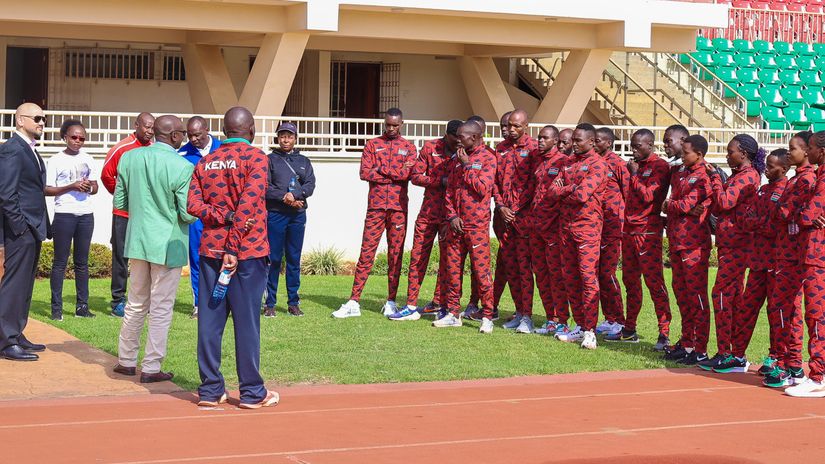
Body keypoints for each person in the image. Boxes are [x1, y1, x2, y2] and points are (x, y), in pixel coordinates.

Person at [188, 106, 279, 408]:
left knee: (210, 323)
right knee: (247, 323)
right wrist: (233, 246)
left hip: (211, 251)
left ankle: (210, 390)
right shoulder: (257, 158)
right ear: (251, 130)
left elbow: (192, 205)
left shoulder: (206, 161)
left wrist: (220, 216)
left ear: (225, 131)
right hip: (247, 253)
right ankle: (252, 392)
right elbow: (249, 205)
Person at [111, 115, 196, 383]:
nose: (184, 136)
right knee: (160, 306)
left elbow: (121, 201)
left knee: (135, 302)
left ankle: (126, 360)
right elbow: (187, 212)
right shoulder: (182, 166)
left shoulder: (129, 158)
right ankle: (151, 366)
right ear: (173, 136)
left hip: (137, 240)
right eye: (181, 132)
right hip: (168, 243)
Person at [333, 108, 417, 318]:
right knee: (366, 253)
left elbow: (408, 174)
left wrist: (380, 171)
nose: (391, 128)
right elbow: (364, 172)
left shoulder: (409, 147)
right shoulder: (373, 144)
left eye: (395, 125)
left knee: (395, 256)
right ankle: (354, 301)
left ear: (401, 124)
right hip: (376, 208)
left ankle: (391, 301)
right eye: (388, 124)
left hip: (398, 209)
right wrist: (393, 175)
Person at [699, 134, 763, 373]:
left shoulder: (748, 176)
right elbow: (718, 205)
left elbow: (724, 202)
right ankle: (730, 353)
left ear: (744, 154)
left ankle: (729, 352)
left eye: (731, 151)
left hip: (739, 245)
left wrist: (715, 178)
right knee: (730, 298)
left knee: (722, 295)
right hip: (729, 244)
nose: (727, 155)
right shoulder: (737, 176)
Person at [391, 120, 461, 321]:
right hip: (428, 213)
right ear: (447, 134)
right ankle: (411, 305)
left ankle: (440, 303)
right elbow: (415, 176)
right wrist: (440, 181)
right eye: (455, 137)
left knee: (449, 260)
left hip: (451, 215)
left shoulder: (464, 153)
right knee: (418, 256)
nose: (458, 141)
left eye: (461, 137)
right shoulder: (431, 147)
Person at [610, 129, 672, 348]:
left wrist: (634, 174)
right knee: (630, 282)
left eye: (637, 146)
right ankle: (629, 328)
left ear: (650, 145)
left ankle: (664, 333)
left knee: (654, 283)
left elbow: (649, 197)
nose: (633, 150)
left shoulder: (660, 166)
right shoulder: (633, 166)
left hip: (648, 232)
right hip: (629, 230)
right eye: (631, 146)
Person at [730, 149, 788, 377]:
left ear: (784, 168)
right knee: (747, 309)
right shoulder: (763, 190)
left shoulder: (786, 191)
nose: (767, 168)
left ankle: (774, 357)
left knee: (775, 312)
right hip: (757, 261)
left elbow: (775, 226)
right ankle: (737, 355)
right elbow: (745, 219)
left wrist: (758, 223)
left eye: (772, 165)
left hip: (776, 261)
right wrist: (760, 222)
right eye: (766, 163)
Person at [763, 132, 814, 388]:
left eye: (793, 148)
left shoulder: (806, 180)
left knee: (786, 308)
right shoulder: (796, 180)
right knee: (785, 309)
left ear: (806, 151)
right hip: (784, 252)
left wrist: (782, 209)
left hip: (793, 254)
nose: (789, 151)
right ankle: (790, 363)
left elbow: (782, 213)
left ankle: (788, 364)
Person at [435, 121, 497, 333]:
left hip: (476, 226)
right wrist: (452, 216)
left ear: (476, 137)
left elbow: (482, 189)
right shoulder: (457, 159)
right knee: (453, 271)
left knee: (481, 273)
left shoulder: (488, 158)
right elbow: (449, 192)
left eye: (463, 137)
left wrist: (468, 165)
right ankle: (453, 313)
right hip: (456, 226)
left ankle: (487, 315)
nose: (458, 140)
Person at [551, 123, 607, 349]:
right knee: (570, 278)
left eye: (578, 140)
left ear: (592, 142)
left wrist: (566, 189)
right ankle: (580, 325)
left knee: (587, 278)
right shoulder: (568, 163)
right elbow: (551, 192)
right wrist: (569, 189)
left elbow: (583, 195)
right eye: (573, 139)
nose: (574, 144)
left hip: (588, 229)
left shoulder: (598, 165)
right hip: (566, 228)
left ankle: (591, 331)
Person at [0, 103, 50, 361]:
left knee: (25, 284)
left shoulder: (29, 149)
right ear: (20, 120)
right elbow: (6, 193)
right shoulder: (12, 150)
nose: (42, 122)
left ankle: (16, 332)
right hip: (21, 228)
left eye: (44, 118)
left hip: (33, 227)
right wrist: (19, 227)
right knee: (14, 284)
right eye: (37, 118)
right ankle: (6, 341)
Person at [662, 135, 712, 365]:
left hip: (694, 244)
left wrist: (674, 206)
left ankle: (700, 347)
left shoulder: (705, 175)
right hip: (677, 240)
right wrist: (678, 207)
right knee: (682, 295)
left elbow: (683, 204)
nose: (682, 156)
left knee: (697, 298)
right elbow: (680, 205)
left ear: (699, 154)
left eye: (686, 153)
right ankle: (687, 341)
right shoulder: (681, 172)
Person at [101, 112, 154, 317]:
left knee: (145, 257)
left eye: (152, 127)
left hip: (147, 215)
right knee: (121, 256)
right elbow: (107, 175)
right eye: (146, 126)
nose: (149, 131)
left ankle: (142, 300)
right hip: (123, 213)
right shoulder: (121, 148)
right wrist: (124, 195)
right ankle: (117, 301)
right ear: (136, 125)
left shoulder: (153, 149)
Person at [45, 119, 99, 321]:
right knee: (60, 262)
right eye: (74, 137)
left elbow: (95, 187)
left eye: (82, 138)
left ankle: (82, 307)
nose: (78, 141)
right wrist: (72, 186)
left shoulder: (89, 158)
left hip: (86, 214)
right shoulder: (55, 160)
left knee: (82, 263)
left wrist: (88, 187)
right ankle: (56, 309)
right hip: (64, 214)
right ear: (65, 137)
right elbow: (47, 189)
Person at [786, 130, 825, 397]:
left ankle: (818, 376)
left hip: (818, 255)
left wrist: (802, 215)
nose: (808, 153)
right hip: (813, 253)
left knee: (816, 315)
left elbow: (809, 213)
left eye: (810, 147)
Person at [263, 122, 315, 318]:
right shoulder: (270, 160)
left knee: (294, 259)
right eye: (282, 136)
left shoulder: (304, 160)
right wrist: (284, 197)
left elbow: (310, 184)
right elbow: (265, 187)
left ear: (295, 139)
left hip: (297, 215)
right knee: (274, 259)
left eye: (290, 136)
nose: (286, 139)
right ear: (278, 138)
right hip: (276, 214)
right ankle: (270, 304)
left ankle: (293, 302)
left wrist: (296, 195)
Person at [495, 109, 538, 333]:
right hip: (505, 217)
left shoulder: (533, 149)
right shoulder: (500, 149)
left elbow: (535, 183)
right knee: (510, 266)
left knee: (524, 268)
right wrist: (501, 206)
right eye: (509, 125)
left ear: (526, 126)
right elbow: (495, 181)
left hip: (523, 218)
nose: (511, 130)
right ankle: (518, 311)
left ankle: (527, 317)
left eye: (516, 126)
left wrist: (516, 207)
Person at [464, 112, 510, 320]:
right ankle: (477, 304)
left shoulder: (489, 156)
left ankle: (514, 312)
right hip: (497, 216)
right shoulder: (498, 150)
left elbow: (485, 187)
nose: (506, 129)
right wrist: (500, 205)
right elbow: (495, 187)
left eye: (510, 125)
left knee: (507, 266)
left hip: (517, 216)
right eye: (503, 126)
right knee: (478, 265)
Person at [177, 116, 222, 319]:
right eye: (190, 135)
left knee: (224, 257)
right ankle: (199, 303)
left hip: (221, 214)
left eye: (197, 134)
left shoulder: (223, 149)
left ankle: (223, 301)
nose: (193, 139)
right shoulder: (183, 154)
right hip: (195, 215)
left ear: (207, 130)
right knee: (196, 258)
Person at [528, 125, 569, 335]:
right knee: (541, 274)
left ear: (555, 141)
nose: (540, 141)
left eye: (545, 138)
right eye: (539, 138)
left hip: (552, 227)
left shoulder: (563, 162)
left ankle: (562, 319)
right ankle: (550, 318)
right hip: (535, 226)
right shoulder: (537, 159)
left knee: (556, 275)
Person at [593, 127, 628, 338]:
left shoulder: (617, 164)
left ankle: (619, 319)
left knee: (608, 273)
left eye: (598, 140)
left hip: (614, 227)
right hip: (596, 225)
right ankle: (609, 318)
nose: (594, 143)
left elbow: (628, 192)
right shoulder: (593, 163)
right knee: (598, 274)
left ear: (608, 142)